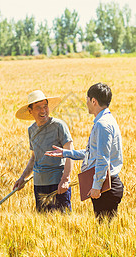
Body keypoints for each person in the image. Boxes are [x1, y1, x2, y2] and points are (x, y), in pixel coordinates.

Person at [45, 83, 124, 221]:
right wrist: (66, 153)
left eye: (87, 99)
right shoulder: (106, 121)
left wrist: (96, 186)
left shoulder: (102, 124)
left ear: (94, 101)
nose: (86, 102)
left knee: (105, 233)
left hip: (106, 188)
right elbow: (93, 154)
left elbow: (102, 159)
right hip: (106, 186)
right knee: (106, 232)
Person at [13, 90, 74, 212]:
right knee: (43, 221)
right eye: (38, 108)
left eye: (45, 106)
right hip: (39, 185)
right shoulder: (31, 130)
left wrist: (65, 180)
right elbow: (34, 157)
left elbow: (70, 154)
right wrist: (22, 178)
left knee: (63, 224)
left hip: (58, 184)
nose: (43, 110)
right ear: (30, 111)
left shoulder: (59, 126)